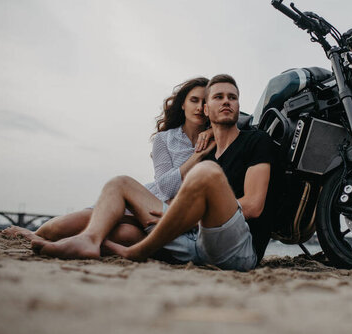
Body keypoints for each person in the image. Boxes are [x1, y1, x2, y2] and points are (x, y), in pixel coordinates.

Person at [32, 74, 276, 271]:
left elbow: (254, 206)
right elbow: (170, 189)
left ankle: (137, 251)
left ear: (239, 106)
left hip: (235, 250)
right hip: (193, 243)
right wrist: (180, 219)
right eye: (218, 97)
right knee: (120, 183)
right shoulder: (206, 150)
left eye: (232, 97)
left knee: (206, 172)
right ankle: (90, 240)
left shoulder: (255, 141)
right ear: (206, 107)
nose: (226, 101)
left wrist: (184, 218)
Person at [2, 77, 215, 259]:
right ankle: (32, 234)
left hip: (167, 217)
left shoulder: (219, 138)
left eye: (205, 102)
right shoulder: (164, 139)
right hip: (143, 203)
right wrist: (197, 156)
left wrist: (214, 132)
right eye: (193, 100)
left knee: (125, 236)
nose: (199, 107)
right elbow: (165, 187)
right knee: (58, 228)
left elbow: (239, 120)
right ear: (182, 105)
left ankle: (78, 243)